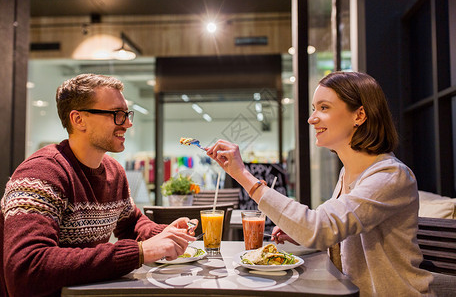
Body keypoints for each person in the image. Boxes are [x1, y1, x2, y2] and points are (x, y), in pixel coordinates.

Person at [206, 71, 434, 296]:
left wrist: (244, 176)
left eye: (324, 108)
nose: (312, 118)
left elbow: (319, 227)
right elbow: (336, 234)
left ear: (359, 115)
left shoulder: (390, 176)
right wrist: (301, 233)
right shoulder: (348, 173)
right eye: (314, 108)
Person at [0, 74, 197, 297]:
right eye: (117, 115)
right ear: (78, 120)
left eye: (126, 114)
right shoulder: (41, 174)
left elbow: (131, 223)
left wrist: (166, 234)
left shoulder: (114, 171)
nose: (128, 123)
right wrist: (139, 252)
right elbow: (25, 270)